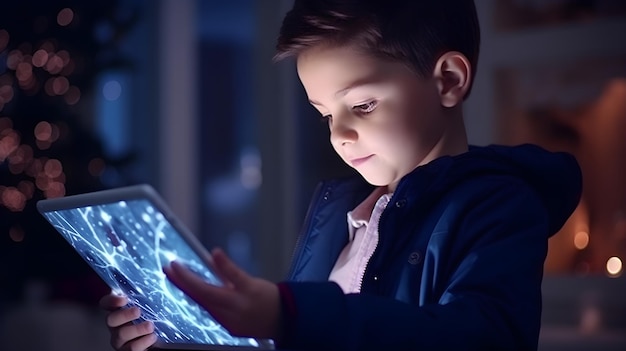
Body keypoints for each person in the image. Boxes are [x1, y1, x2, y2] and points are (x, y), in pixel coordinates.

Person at [100, 0, 582, 350]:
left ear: (449, 80)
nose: (340, 135)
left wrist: (287, 314)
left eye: (363, 105)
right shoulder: (338, 217)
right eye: (325, 114)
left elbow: (479, 338)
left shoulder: (498, 206)